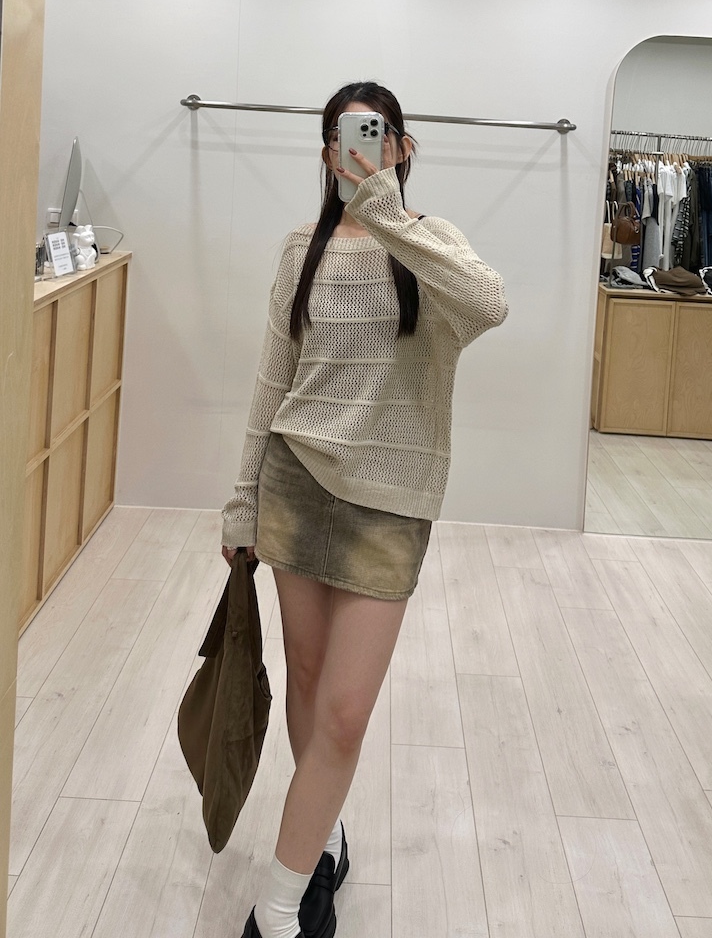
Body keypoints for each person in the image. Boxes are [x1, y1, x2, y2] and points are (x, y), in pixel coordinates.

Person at [221, 81, 508, 938]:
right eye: (348, 138)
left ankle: (276, 910)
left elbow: (490, 304)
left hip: (390, 508)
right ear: (326, 154)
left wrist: (383, 210)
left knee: (345, 712)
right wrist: (241, 502)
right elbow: (271, 379)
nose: (362, 149)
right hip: (295, 485)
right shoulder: (298, 251)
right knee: (309, 689)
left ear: (403, 149)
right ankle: (323, 840)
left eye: (379, 136)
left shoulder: (433, 247)